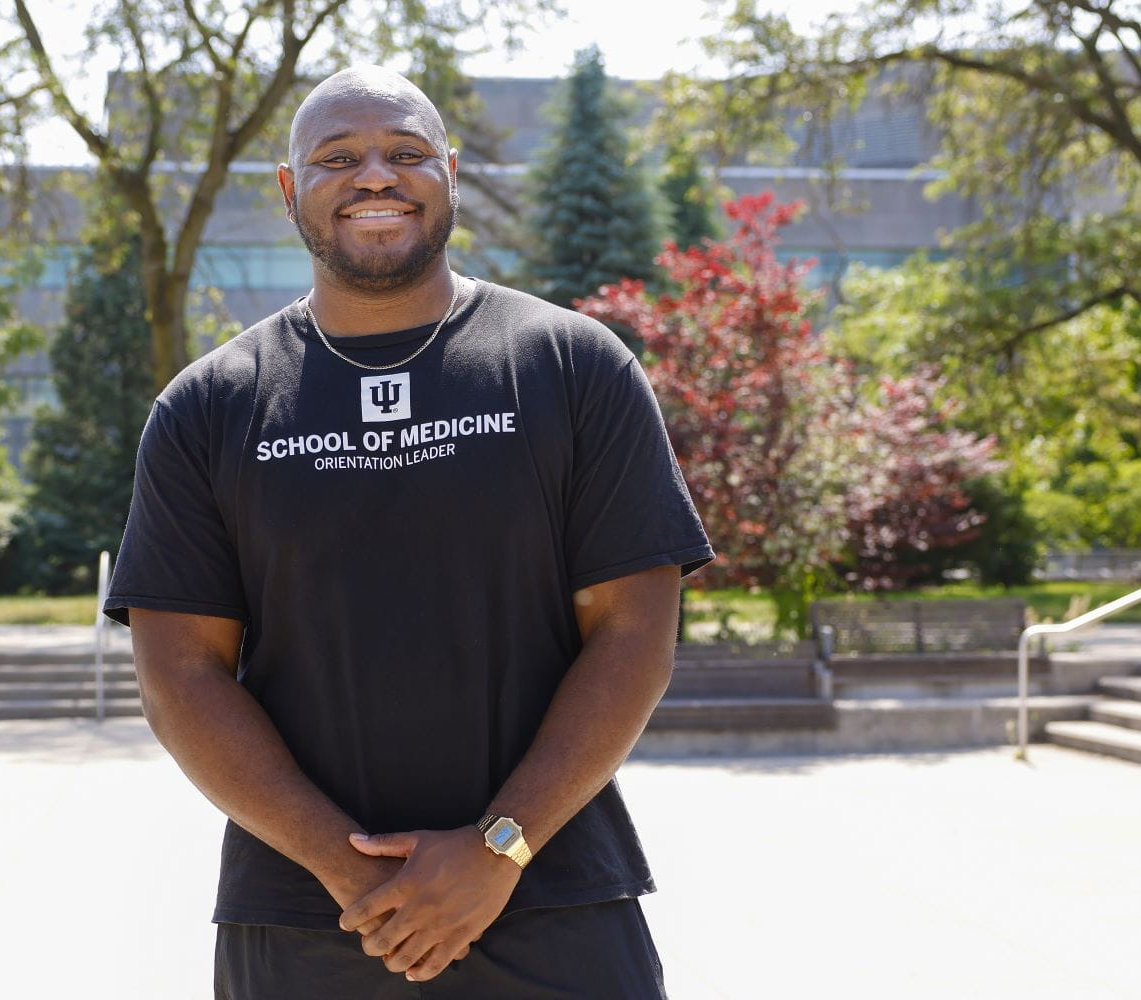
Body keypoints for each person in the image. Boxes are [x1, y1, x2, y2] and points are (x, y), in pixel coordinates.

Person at [105, 64, 714, 999]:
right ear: (288, 187)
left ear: (453, 172)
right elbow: (180, 673)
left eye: (406, 153)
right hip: (305, 921)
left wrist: (496, 849)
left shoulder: (571, 366)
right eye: (338, 157)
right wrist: (351, 873)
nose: (375, 176)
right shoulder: (210, 405)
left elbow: (635, 633)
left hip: (555, 908)